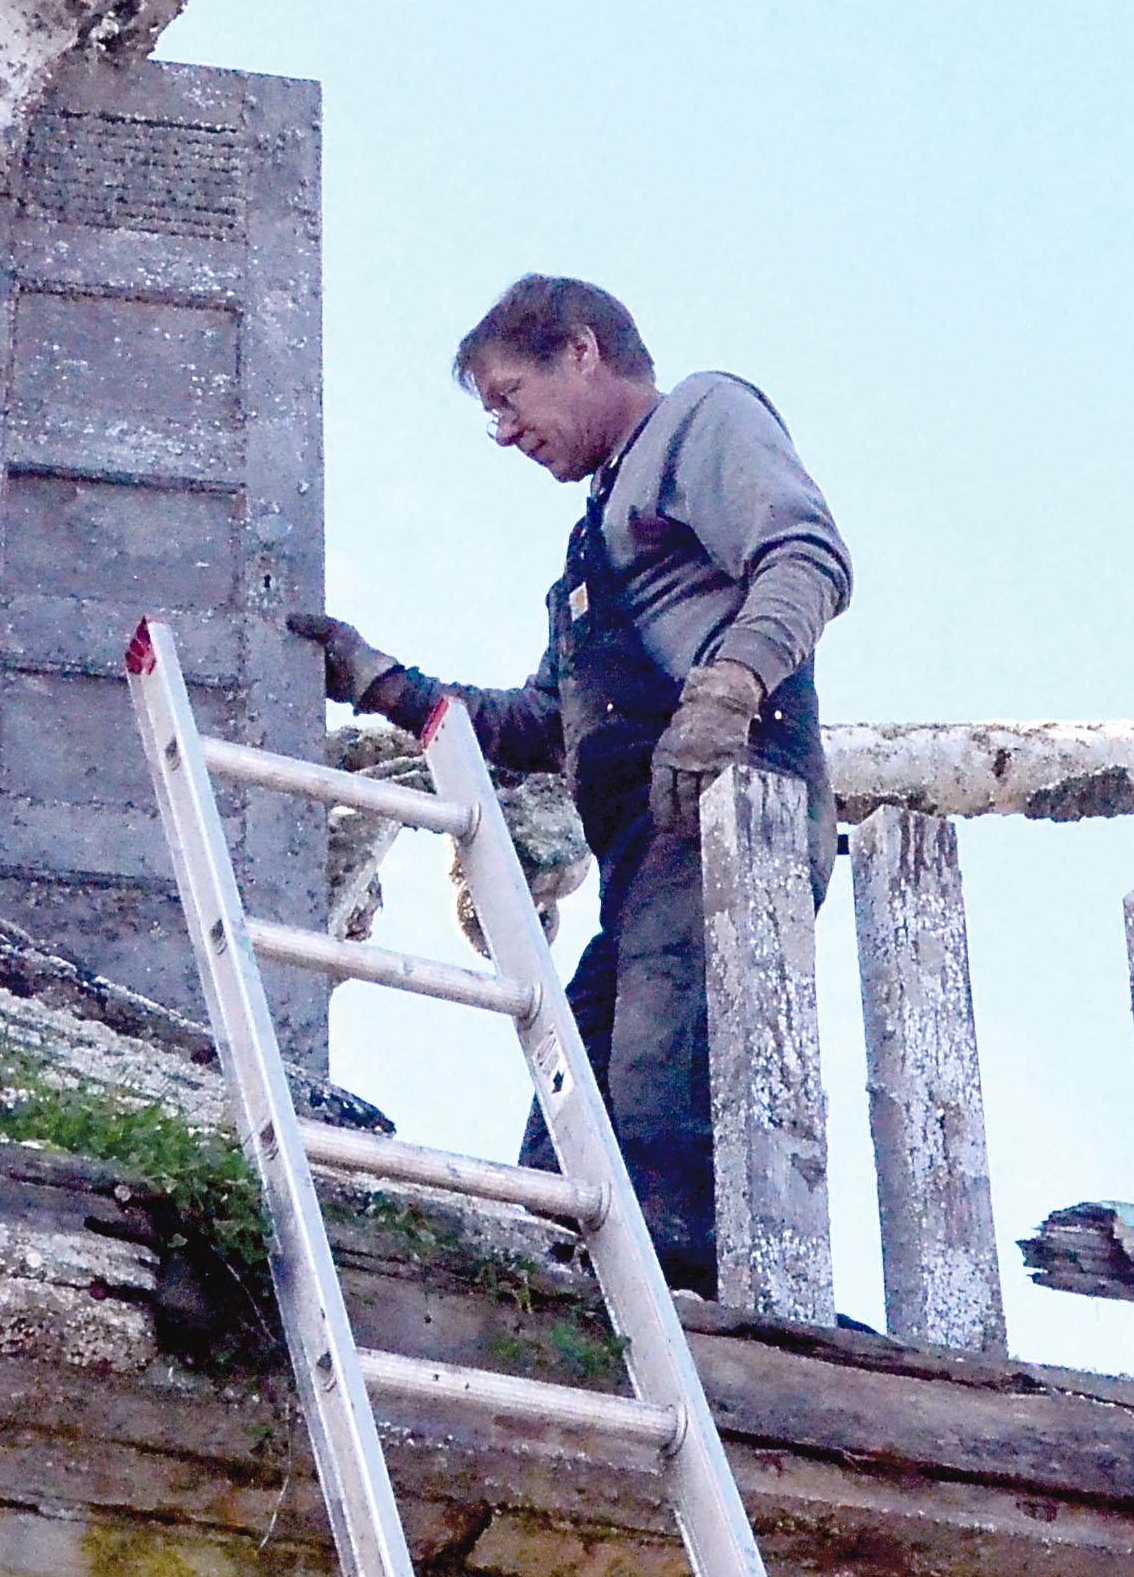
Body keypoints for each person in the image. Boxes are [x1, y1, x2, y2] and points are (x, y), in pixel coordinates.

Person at [292, 276, 850, 1295]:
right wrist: (379, 681)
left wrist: (727, 691)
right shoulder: (595, 541)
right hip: (644, 864)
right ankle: (560, 1298)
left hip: (727, 824)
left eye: (509, 397)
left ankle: (689, 1314)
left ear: (580, 353)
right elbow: (537, 724)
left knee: (656, 1121)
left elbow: (805, 557)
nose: (503, 432)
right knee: (571, 1118)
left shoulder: (700, 419)